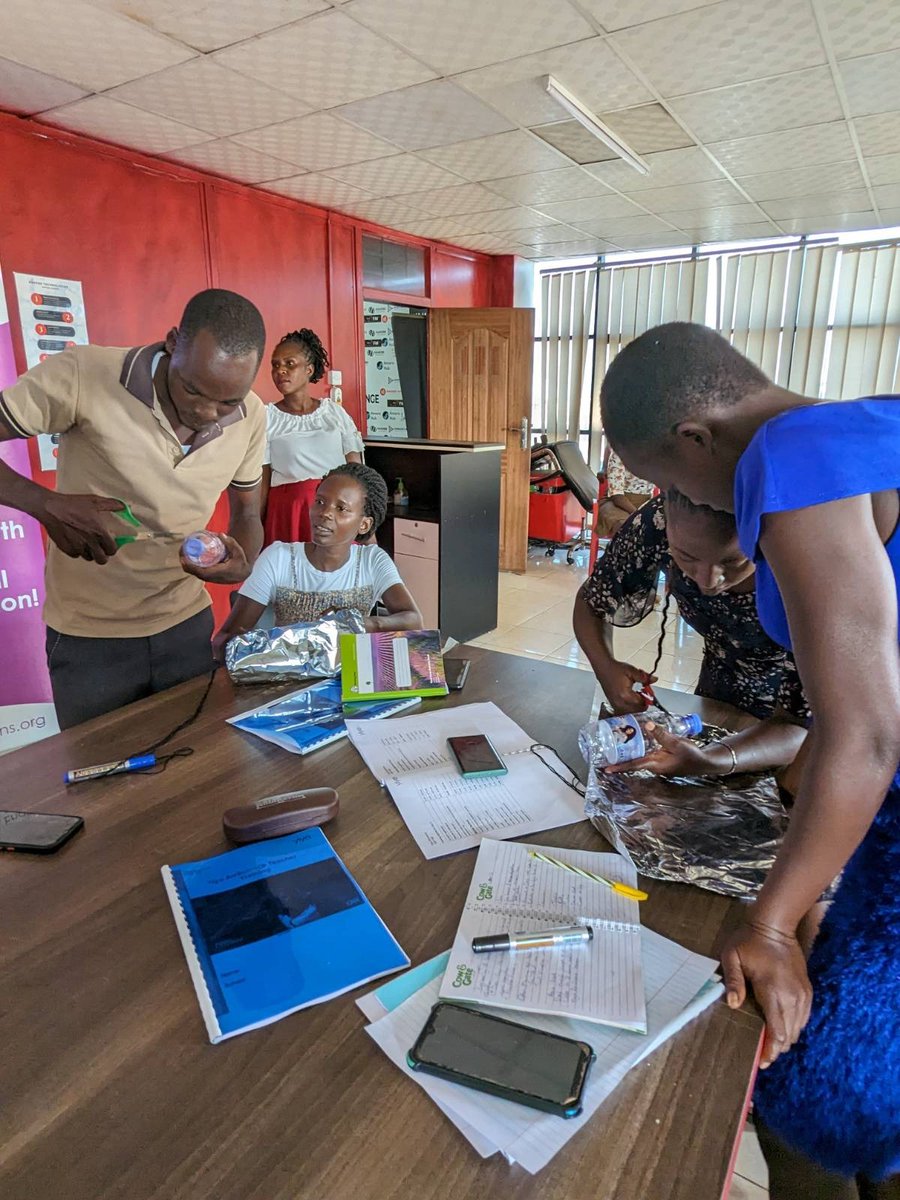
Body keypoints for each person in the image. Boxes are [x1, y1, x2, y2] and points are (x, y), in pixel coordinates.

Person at [600, 321, 900, 1195]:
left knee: (814, 1095)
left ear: (695, 439)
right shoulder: (870, 421)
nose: (673, 503)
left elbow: (866, 734)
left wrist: (769, 926)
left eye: (664, 480)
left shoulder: (786, 455)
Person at [0, 288, 267, 729]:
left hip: (185, 626)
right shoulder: (86, 374)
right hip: (90, 637)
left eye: (227, 402)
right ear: (172, 343)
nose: (206, 412)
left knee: (186, 771)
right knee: (100, 784)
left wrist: (242, 562)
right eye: (193, 390)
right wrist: (45, 504)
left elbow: (247, 514)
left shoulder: (253, 415)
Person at [574, 491, 808, 779]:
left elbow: (800, 725)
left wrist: (714, 760)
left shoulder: (804, 564)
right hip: (719, 693)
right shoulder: (658, 522)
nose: (708, 581)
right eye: (686, 558)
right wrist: (606, 667)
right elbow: (593, 600)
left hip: (792, 721)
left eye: (733, 562)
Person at [214, 463, 421, 660]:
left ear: (364, 525)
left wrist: (359, 624)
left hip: (352, 678)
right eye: (320, 502)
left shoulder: (371, 561)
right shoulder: (278, 558)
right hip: (288, 680)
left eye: (341, 508)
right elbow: (227, 639)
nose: (325, 514)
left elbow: (414, 621)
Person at [263, 328, 364, 545]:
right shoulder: (267, 417)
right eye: (275, 365)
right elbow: (262, 480)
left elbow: (357, 473)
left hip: (337, 511)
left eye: (290, 364)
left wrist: (366, 524)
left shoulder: (334, 413)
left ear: (309, 369)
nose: (280, 370)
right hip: (290, 513)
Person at [597, 448, 656, 538]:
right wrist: (639, 515)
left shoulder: (657, 456)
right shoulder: (619, 454)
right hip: (618, 502)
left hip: (646, 502)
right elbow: (617, 496)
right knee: (626, 526)